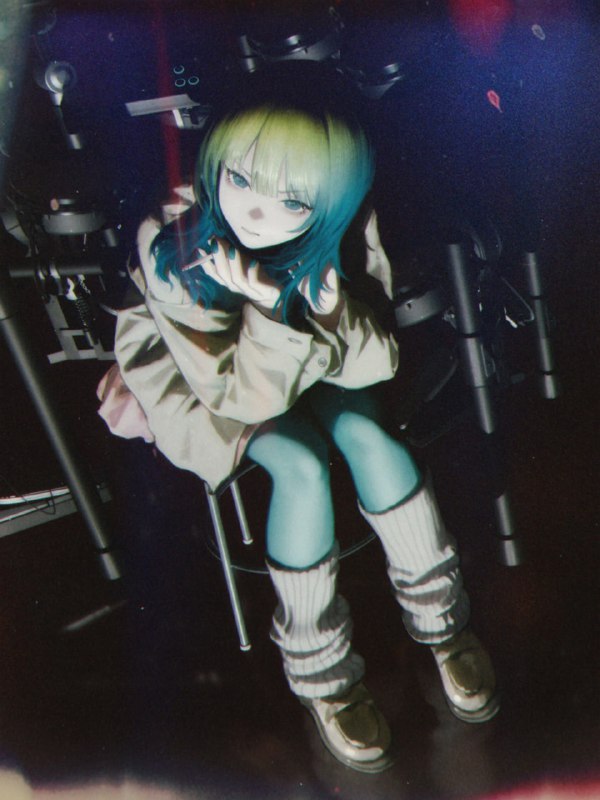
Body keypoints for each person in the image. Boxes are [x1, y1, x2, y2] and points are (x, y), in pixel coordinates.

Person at [99, 78, 499, 773]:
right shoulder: (173, 245)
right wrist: (268, 307)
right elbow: (241, 395)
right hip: (213, 389)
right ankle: (321, 675)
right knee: (301, 466)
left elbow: (378, 359)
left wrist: (325, 305)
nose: (257, 211)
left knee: (370, 439)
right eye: (241, 179)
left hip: (305, 362)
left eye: (293, 200)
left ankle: (444, 625)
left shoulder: (341, 225)